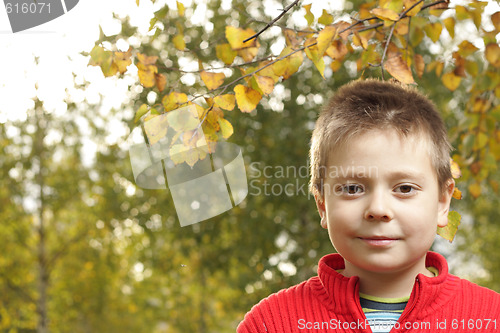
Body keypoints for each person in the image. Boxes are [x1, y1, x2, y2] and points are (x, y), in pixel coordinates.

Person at [237, 79, 500, 332]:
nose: (378, 209)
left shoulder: (490, 319)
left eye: (405, 188)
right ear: (323, 206)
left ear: (443, 202)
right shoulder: (270, 324)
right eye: (352, 189)